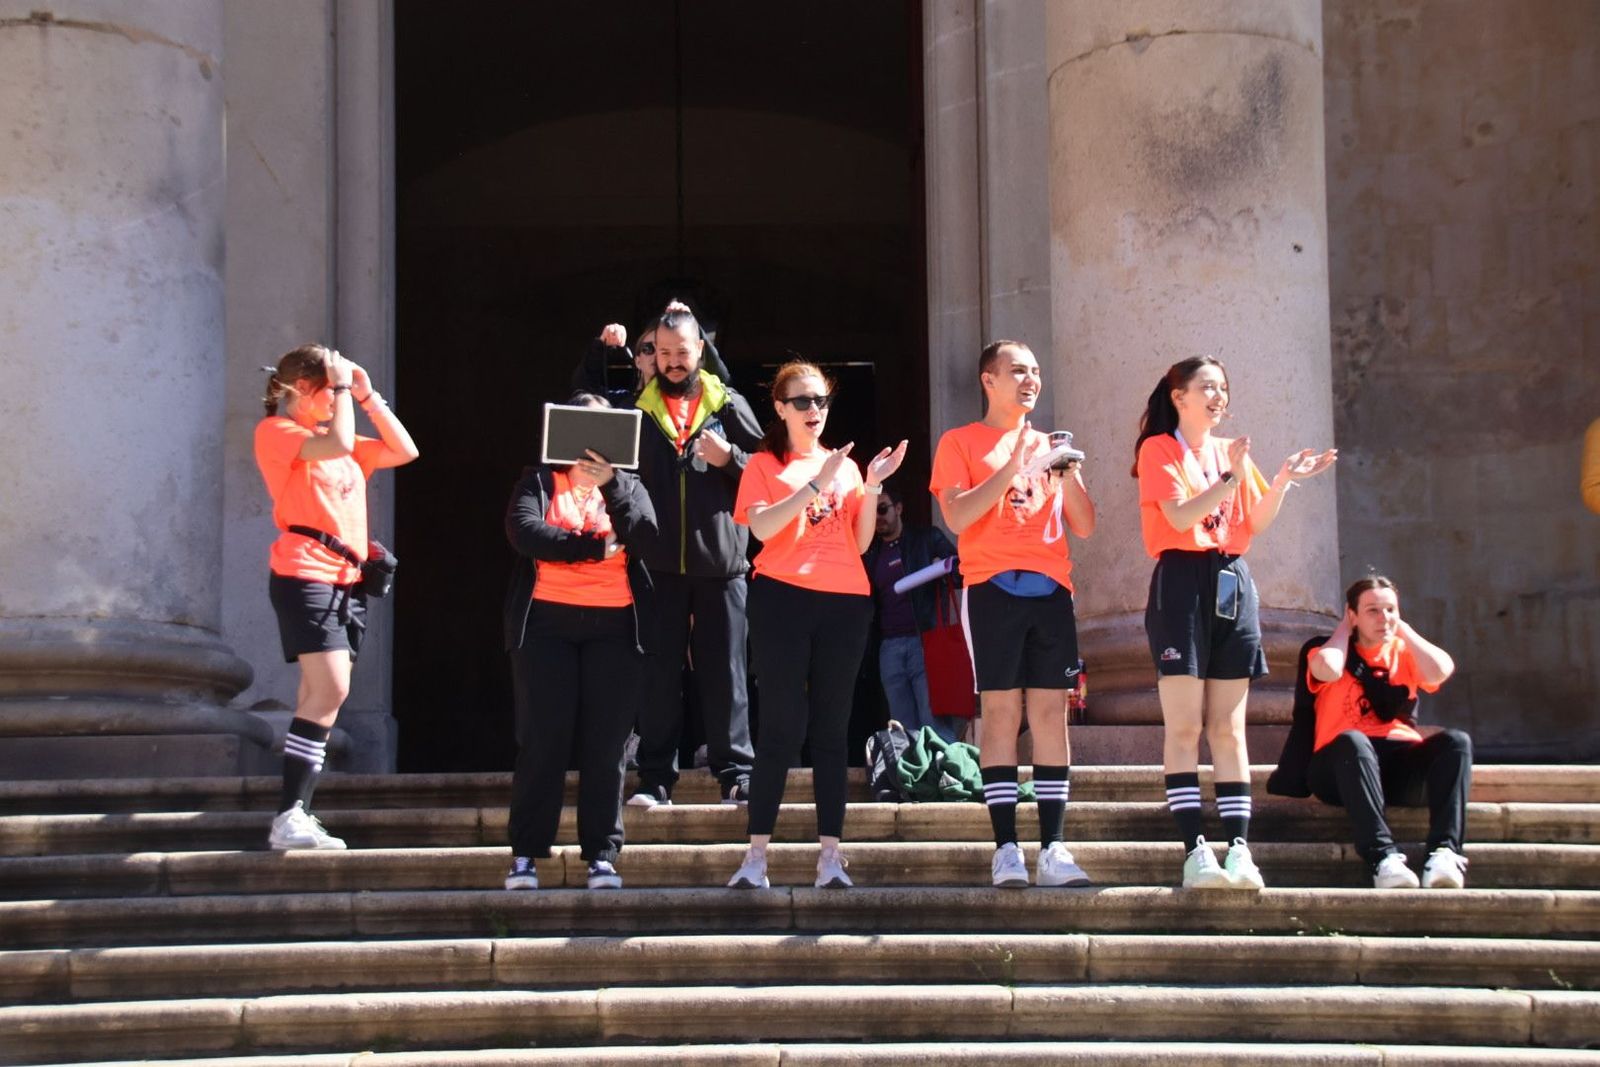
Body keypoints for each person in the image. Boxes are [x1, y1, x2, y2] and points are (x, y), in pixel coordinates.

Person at [1132, 355, 1336, 890]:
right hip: (1180, 583)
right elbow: (1178, 515)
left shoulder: (1232, 451)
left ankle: (1240, 849)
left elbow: (1253, 522)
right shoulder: (1159, 449)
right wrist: (1227, 477)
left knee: (1228, 727)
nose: (1220, 397)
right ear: (1179, 397)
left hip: (1231, 579)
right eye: (1208, 388)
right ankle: (1194, 849)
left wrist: (1284, 479)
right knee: (1184, 726)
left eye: (1224, 387)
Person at [726, 361, 906, 889]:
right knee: (781, 727)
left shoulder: (843, 465)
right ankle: (756, 856)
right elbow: (760, 527)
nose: (814, 411)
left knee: (832, 728)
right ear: (780, 408)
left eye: (820, 402)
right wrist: (813, 486)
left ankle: (831, 855)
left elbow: (862, 541)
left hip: (845, 600)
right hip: (782, 596)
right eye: (802, 402)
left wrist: (870, 485)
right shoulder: (763, 463)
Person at [930, 340, 1096, 889]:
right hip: (992, 588)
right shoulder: (961, 442)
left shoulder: (1052, 444)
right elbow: (956, 514)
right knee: (1000, 715)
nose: (1031, 380)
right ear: (989, 380)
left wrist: (1065, 471)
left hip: (1051, 588)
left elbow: (1086, 525)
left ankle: (1053, 848)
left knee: (1051, 717)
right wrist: (1012, 469)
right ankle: (1006, 849)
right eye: (1018, 371)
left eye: (1036, 371)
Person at [254, 345, 419, 850]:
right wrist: (344, 388)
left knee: (320, 694)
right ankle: (289, 815)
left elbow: (404, 450)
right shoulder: (279, 432)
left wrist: (366, 394)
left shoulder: (340, 439)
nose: (334, 401)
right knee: (331, 690)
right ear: (303, 391)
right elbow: (340, 439)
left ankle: (295, 814)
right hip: (305, 573)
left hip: (345, 581)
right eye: (328, 391)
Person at [501, 393, 658, 891]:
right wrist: (592, 548)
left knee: (606, 745)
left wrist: (612, 485)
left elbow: (646, 534)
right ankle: (526, 854)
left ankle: (602, 855)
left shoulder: (628, 486)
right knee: (543, 741)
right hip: (546, 624)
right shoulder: (540, 482)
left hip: (614, 627)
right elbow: (526, 532)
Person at [627, 304, 764, 808]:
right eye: (663, 353)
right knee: (657, 672)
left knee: (726, 669)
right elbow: (619, 481)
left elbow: (770, 471)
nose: (672, 363)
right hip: (657, 563)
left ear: (700, 351)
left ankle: (736, 773)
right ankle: (656, 778)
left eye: (681, 353)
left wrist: (730, 460)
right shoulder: (637, 410)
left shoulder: (728, 404)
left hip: (722, 562)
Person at [1299, 576, 1468, 889]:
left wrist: (1400, 627)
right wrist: (1344, 630)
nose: (1383, 618)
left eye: (1390, 609)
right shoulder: (1327, 650)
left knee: (1456, 742)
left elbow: (1441, 669)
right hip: (1339, 766)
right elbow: (1328, 668)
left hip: (1396, 763)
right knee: (1354, 740)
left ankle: (1444, 852)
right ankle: (1382, 857)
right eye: (1372, 610)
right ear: (1353, 615)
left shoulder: (1404, 652)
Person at [861, 484, 962, 741]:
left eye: (882, 509)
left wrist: (943, 567)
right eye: (872, 512)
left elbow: (962, 571)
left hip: (925, 641)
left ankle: (946, 775)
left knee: (934, 722)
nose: (878, 517)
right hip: (888, 648)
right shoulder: (870, 554)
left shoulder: (927, 539)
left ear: (898, 508)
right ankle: (911, 777)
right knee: (901, 729)